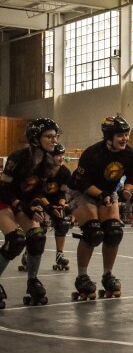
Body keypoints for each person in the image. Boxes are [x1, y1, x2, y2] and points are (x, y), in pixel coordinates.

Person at [69, 116, 133, 300]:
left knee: (114, 232)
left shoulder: (130, 154)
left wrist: (127, 190)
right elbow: (81, 181)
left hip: (108, 191)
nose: (125, 138)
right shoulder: (92, 153)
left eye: (126, 134)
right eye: (120, 135)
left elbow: (132, 179)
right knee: (92, 231)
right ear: (109, 137)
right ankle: (82, 276)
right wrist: (101, 195)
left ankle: (108, 275)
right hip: (82, 190)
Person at [0, 118, 60, 308]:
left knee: (36, 237)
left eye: (55, 136)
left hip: (21, 201)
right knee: (15, 240)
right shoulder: (18, 157)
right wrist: (21, 206)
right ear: (36, 138)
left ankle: (32, 281)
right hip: (4, 199)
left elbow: (37, 191)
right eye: (49, 136)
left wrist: (45, 206)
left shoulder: (47, 160)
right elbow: (3, 189)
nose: (54, 140)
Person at [44, 143, 73, 271]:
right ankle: (29, 252)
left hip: (55, 200)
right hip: (39, 200)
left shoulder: (65, 172)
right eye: (57, 155)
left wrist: (61, 205)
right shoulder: (42, 170)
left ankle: (59, 254)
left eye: (62, 155)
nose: (61, 158)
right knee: (39, 229)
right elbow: (37, 193)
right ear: (50, 156)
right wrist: (48, 207)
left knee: (62, 224)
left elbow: (62, 192)